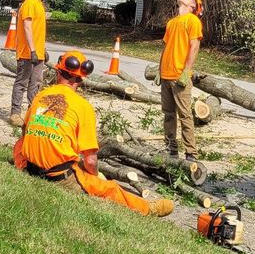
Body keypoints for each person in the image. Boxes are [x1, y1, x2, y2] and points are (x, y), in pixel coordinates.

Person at [15, 50, 173, 217]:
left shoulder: (41, 95)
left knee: (21, 144)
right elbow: (90, 160)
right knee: (109, 188)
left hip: (29, 165)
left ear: (58, 72)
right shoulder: (82, 107)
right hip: (57, 175)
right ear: (80, 79)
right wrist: (95, 176)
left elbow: (25, 132)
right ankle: (147, 208)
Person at [159, 0, 203, 161]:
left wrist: (187, 71)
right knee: (168, 114)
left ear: (193, 6)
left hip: (179, 75)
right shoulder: (172, 22)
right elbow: (166, 46)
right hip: (166, 74)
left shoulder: (193, 21)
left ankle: (191, 152)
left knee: (185, 115)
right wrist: (159, 69)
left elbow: (194, 47)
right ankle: (171, 148)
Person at [8, 0, 48, 126]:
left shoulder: (39, 4)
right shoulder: (29, 4)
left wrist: (42, 49)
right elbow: (27, 28)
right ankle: (15, 114)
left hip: (37, 51)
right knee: (22, 82)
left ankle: (34, 114)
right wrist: (32, 50)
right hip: (27, 52)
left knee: (36, 83)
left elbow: (38, 31)